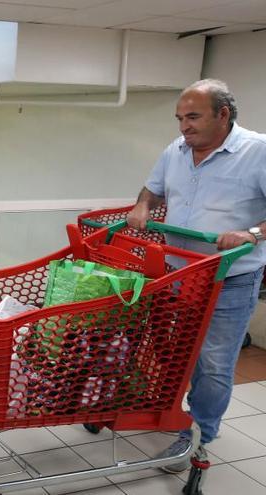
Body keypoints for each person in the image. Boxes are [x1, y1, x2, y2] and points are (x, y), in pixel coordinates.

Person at [127, 79, 266, 472]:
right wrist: (143, 205)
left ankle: (199, 435)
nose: (183, 127)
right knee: (175, 350)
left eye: (192, 117)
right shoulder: (176, 151)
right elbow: (151, 190)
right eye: (179, 118)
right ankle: (168, 409)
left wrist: (251, 233)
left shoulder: (258, 152)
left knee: (214, 362)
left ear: (223, 114)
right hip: (176, 273)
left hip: (228, 278)